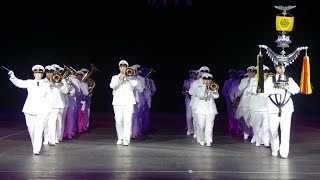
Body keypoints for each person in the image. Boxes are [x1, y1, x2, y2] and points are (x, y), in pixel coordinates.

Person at [8, 65, 53, 155]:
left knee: (39, 129)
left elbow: (50, 98)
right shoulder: (29, 82)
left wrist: (48, 110)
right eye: (36, 73)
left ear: (42, 74)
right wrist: (13, 77)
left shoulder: (46, 85)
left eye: (39, 73)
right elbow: (19, 83)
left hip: (41, 110)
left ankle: (36, 149)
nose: (38, 75)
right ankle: (35, 145)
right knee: (31, 129)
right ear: (34, 74)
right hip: (29, 110)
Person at [264, 62, 300, 158]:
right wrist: (276, 88)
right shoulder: (270, 80)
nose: (281, 69)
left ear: (285, 68)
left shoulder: (289, 79)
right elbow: (264, 92)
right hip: (273, 107)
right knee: (273, 130)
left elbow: (297, 90)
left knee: (285, 130)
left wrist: (286, 86)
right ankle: (275, 148)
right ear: (275, 68)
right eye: (279, 67)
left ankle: (284, 152)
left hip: (286, 108)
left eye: (282, 67)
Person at [109, 60, 138, 146]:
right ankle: (120, 138)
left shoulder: (131, 77)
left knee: (127, 121)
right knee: (118, 121)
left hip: (128, 102)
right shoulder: (114, 77)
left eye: (124, 67)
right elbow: (112, 86)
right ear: (119, 68)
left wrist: (128, 78)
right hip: (118, 102)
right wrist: (119, 80)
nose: (123, 68)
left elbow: (135, 84)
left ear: (127, 68)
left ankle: (126, 139)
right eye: (121, 66)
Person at [194, 73, 219, 146]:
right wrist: (206, 92)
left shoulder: (213, 87)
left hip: (211, 109)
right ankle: (202, 138)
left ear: (211, 80)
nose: (207, 81)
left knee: (210, 125)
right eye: (205, 79)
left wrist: (212, 90)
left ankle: (208, 140)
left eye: (208, 79)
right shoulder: (199, 87)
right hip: (201, 109)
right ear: (203, 80)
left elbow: (216, 96)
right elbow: (200, 96)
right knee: (201, 125)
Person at [222, 69, 238, 135]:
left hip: (236, 99)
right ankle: (231, 127)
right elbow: (223, 91)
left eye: (233, 73)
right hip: (229, 99)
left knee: (236, 113)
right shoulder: (227, 82)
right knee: (230, 113)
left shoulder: (237, 81)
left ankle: (236, 127)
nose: (232, 75)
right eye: (231, 74)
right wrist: (227, 96)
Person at [182, 69, 197, 135]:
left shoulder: (198, 82)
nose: (191, 75)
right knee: (188, 115)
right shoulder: (186, 81)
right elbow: (183, 90)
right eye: (190, 73)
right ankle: (189, 129)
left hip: (196, 99)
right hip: (188, 99)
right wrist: (184, 92)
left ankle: (194, 129)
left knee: (195, 115)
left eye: (193, 73)